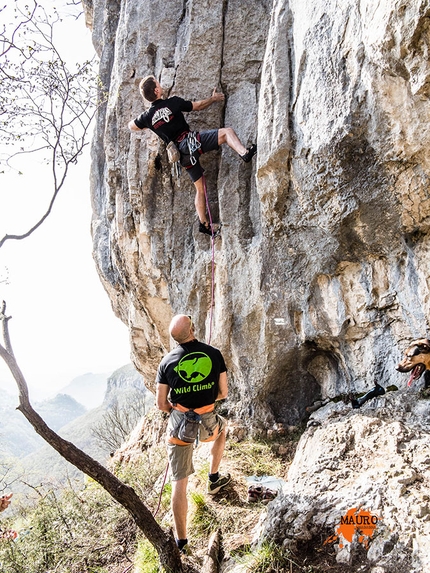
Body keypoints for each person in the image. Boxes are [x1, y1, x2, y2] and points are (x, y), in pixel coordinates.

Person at [128, 75, 257, 236]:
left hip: (181, 155)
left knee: (200, 189)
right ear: (157, 90)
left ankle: (204, 224)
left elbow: (131, 126)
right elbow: (198, 106)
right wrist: (213, 98)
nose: (161, 85)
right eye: (158, 84)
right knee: (226, 133)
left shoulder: (147, 117)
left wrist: (149, 124)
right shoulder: (173, 102)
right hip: (191, 142)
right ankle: (244, 153)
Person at [156, 314, 230, 554]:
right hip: (207, 422)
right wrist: (204, 401)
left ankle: (182, 543)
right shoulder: (214, 354)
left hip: (179, 427)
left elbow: (161, 404)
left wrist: (179, 408)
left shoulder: (167, 362)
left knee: (179, 483)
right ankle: (214, 478)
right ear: (193, 329)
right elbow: (223, 393)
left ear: (175, 338)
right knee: (222, 430)